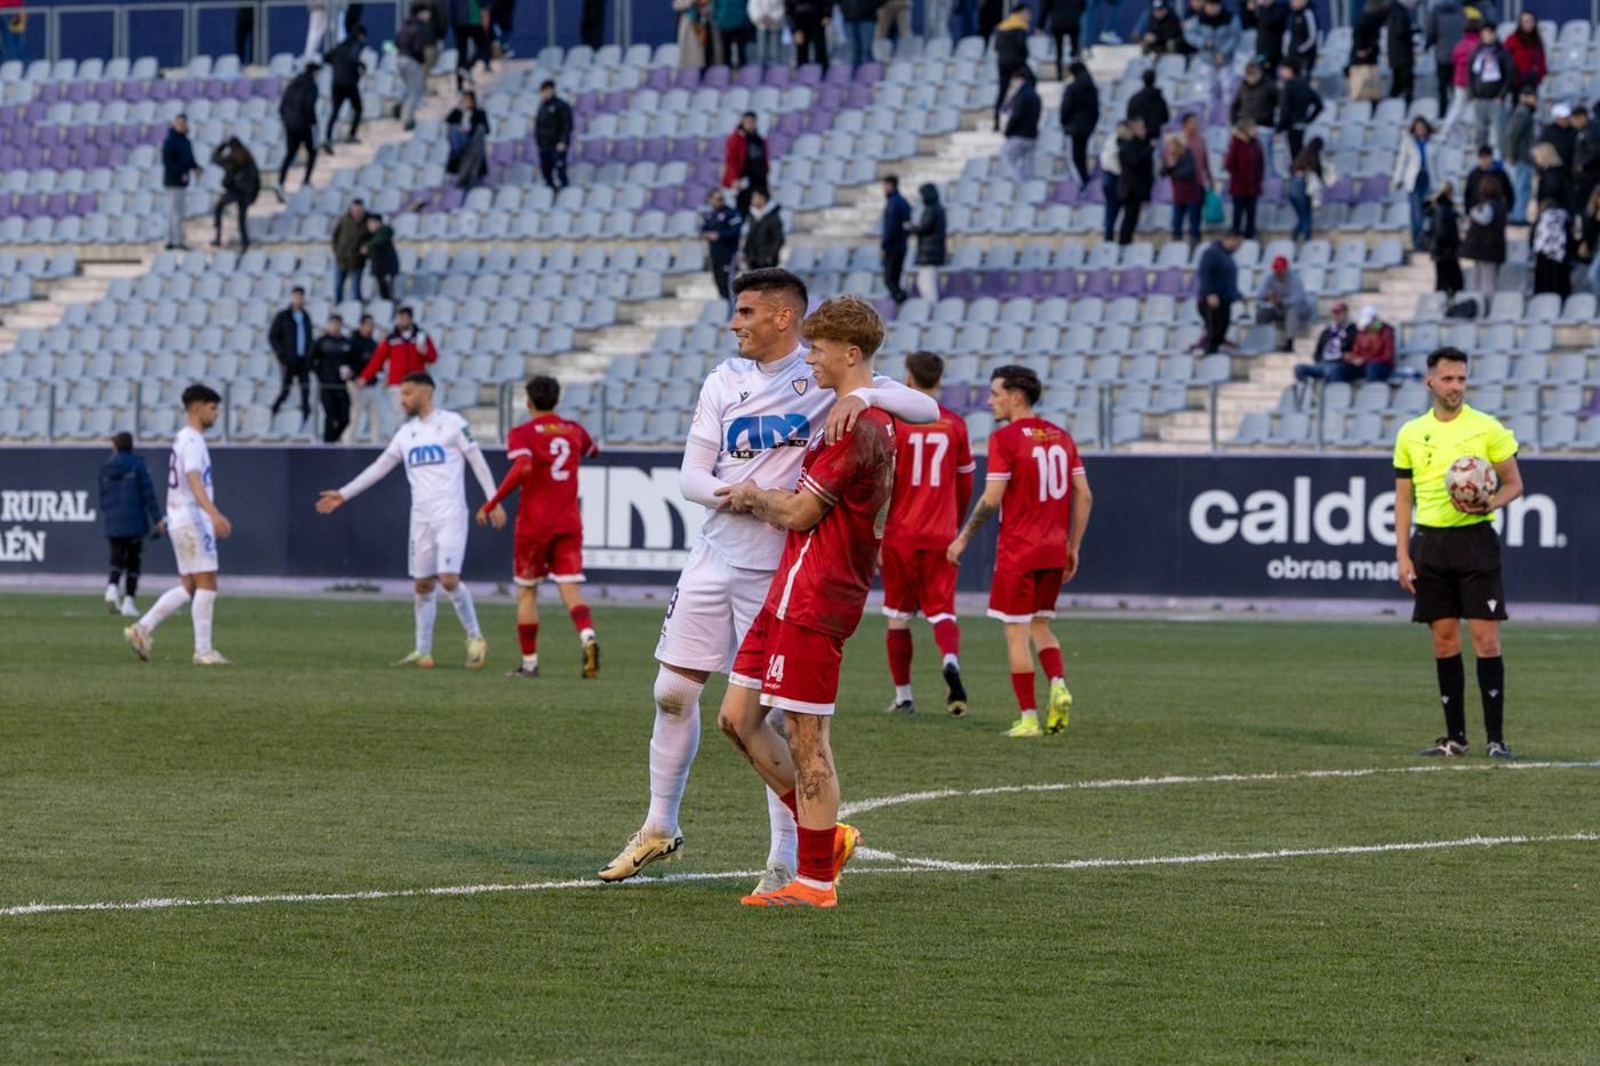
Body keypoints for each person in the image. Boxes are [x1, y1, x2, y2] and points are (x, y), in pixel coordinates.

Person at [596, 267, 937, 893]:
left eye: (747, 312)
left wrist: (867, 396)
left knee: (776, 719)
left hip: (782, 567)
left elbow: (927, 405)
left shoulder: (824, 375)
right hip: (715, 553)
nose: (735, 323)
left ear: (784, 317)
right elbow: (692, 476)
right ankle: (659, 824)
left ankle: (787, 857)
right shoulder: (723, 381)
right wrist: (738, 495)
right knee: (673, 691)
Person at [712, 296, 897, 909]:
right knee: (737, 720)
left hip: (818, 595)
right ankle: (829, 836)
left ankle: (815, 880)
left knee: (806, 736)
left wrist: (753, 495)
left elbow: (800, 510)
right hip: (789, 588)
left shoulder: (859, 426)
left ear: (850, 354)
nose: (809, 359)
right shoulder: (850, 413)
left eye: (818, 350)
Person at [316, 372, 503, 668]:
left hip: (450, 513)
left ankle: (475, 637)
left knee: (448, 578)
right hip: (422, 519)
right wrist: (344, 494)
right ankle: (422, 650)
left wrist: (493, 501)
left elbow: (478, 463)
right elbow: (380, 467)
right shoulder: (406, 434)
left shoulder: (453, 424)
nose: (402, 399)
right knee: (422, 585)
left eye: (407, 393)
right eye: (401, 394)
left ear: (425, 393)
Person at [947, 365, 1092, 739]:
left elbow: (991, 500)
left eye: (995, 393)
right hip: (1054, 549)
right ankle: (1058, 684)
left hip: (1019, 551)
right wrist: (1072, 545)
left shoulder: (1006, 439)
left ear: (1015, 396)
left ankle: (1028, 718)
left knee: (1016, 632)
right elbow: (1085, 495)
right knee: (1041, 626)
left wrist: (962, 538)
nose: (989, 400)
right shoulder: (1062, 436)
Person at [1393, 347, 1523, 760]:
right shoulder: (1410, 433)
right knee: (1444, 643)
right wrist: (1403, 554)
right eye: (1448, 379)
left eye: (1462, 379)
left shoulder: (1487, 428)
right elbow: (1402, 500)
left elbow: (1514, 484)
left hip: (1474, 543)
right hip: (1429, 545)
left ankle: (1496, 739)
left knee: (1486, 641)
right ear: (1430, 381)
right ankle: (1455, 739)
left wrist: (1491, 503)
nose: (1456, 387)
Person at [476, 375, 602, 679]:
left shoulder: (522, 433)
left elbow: (521, 466)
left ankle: (529, 664)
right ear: (557, 400)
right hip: (568, 521)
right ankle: (587, 636)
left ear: (527, 402)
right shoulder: (573, 430)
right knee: (570, 589)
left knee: (527, 592)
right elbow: (593, 451)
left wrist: (491, 503)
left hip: (534, 524)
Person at [880, 351, 974, 716]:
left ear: (907, 379)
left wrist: (879, 534)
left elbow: (884, 485)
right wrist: (954, 527)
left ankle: (903, 696)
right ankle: (950, 658)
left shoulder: (898, 424)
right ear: (939, 381)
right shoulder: (955, 425)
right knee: (943, 611)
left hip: (899, 534)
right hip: (940, 534)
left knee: (897, 614)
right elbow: (965, 484)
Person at [122, 385, 233, 666]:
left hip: (178, 518)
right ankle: (203, 651)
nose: (215, 414)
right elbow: (194, 479)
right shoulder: (193, 441)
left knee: (189, 585)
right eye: (212, 408)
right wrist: (214, 513)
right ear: (197, 408)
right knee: (208, 581)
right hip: (193, 518)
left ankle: (142, 628)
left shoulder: (182, 438)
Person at [100, 431, 163, 619]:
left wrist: (109, 514)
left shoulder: (106, 468)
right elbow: (148, 494)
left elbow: (102, 496)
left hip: (113, 520)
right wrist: (158, 518)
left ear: (116, 446)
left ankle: (111, 589)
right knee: (133, 562)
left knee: (116, 558)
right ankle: (129, 601)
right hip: (135, 520)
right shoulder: (138, 465)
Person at [359, 306, 439, 427]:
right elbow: (378, 359)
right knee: (400, 415)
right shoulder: (391, 339)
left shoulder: (421, 336)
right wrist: (365, 377)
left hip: (417, 383)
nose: (401, 321)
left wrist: (425, 351)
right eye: (399, 318)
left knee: (418, 414)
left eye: (404, 318)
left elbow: (433, 358)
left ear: (410, 319)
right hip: (397, 383)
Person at [310, 313, 359, 442]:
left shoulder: (346, 343)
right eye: (333, 324)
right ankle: (328, 444)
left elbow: (354, 361)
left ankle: (332, 440)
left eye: (338, 324)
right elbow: (310, 360)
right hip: (327, 385)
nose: (335, 327)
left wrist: (351, 371)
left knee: (345, 418)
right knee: (330, 416)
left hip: (342, 385)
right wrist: (320, 374)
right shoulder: (322, 342)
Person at [1290, 300, 1357, 394]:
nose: (1336, 316)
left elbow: (1353, 350)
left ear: (1345, 313)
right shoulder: (1327, 331)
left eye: (1339, 313)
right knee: (1299, 368)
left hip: (1338, 363)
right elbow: (1318, 349)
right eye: (1334, 313)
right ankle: (1305, 395)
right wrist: (1319, 360)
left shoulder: (1352, 330)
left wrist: (1343, 357)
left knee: (1332, 371)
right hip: (1323, 362)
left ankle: (1327, 399)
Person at [275, 62, 320, 200]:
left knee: (290, 154)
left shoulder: (292, 85)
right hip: (304, 124)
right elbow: (309, 106)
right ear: (315, 72)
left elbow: (281, 107)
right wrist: (313, 123)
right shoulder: (311, 86)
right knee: (312, 152)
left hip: (290, 125)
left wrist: (287, 121)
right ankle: (306, 181)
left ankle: (280, 182)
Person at [269, 287, 314, 422]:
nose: (298, 299)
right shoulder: (283, 316)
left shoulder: (306, 316)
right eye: (296, 296)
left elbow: (309, 338)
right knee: (286, 389)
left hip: (303, 359)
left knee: (305, 388)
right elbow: (273, 336)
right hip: (289, 359)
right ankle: (274, 409)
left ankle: (306, 414)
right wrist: (281, 353)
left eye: (301, 297)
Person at [1465, 24, 1513, 152]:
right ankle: (1482, 162)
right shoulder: (1476, 52)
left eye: (1488, 33)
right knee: (1481, 133)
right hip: (1480, 98)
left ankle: (1502, 160)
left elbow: (1508, 74)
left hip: (1496, 99)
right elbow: (1470, 74)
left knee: (1500, 132)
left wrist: (1501, 95)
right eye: (1484, 33)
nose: (1486, 36)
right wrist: (1473, 95)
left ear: (1494, 34)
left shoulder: (1502, 51)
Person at [1462, 170, 1508, 295]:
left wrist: (1472, 212)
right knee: (1485, 281)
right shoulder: (1501, 204)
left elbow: (1485, 219)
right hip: (1492, 249)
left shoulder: (1488, 206)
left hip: (1487, 250)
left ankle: (1487, 310)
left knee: (1487, 283)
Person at [209, 137, 259, 251]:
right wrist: (253, 195)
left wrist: (223, 145)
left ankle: (218, 237)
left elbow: (215, 158)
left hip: (236, 191)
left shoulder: (232, 159)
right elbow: (257, 179)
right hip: (246, 193)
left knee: (219, 207)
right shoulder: (249, 158)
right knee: (241, 219)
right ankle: (244, 243)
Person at [1197, 232, 1243, 352]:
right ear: (1231, 239)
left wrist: (1237, 295)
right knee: (1214, 333)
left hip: (1224, 301)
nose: (1239, 247)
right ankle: (1209, 359)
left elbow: (1227, 280)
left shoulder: (1227, 256)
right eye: (1238, 243)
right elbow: (1205, 273)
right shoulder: (1212, 253)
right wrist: (1209, 293)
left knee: (1221, 331)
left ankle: (1213, 356)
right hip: (1213, 301)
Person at [161, 114, 201, 251]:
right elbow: (168, 162)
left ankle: (176, 239)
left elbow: (189, 160)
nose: (181, 126)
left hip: (182, 182)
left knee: (179, 211)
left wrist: (196, 168)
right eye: (179, 123)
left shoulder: (186, 141)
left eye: (183, 124)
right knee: (174, 212)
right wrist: (181, 173)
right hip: (173, 181)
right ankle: (172, 240)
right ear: (174, 125)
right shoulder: (170, 141)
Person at [1257, 255, 1314, 350]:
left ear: (1285, 269)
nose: (1278, 272)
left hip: (1299, 310)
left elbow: (1298, 300)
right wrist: (1267, 296)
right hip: (1280, 308)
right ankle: (1260, 340)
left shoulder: (1295, 279)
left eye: (1280, 269)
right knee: (1262, 313)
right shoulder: (1270, 278)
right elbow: (1260, 295)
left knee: (1292, 311)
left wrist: (1281, 301)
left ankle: (1289, 342)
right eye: (1276, 269)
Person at [1392, 117, 1434, 248]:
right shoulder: (1408, 142)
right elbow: (1402, 161)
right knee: (1416, 214)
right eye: (1418, 127)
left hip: (1428, 177)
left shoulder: (1433, 142)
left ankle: (1428, 242)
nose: (1420, 130)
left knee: (1429, 213)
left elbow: (1439, 163)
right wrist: (1398, 178)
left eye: (1422, 127)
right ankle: (1418, 243)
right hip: (1415, 180)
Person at [1231, 62, 1278, 176]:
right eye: (1248, 75)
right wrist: (1234, 124)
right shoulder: (1243, 87)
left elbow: (1281, 104)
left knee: (1265, 161)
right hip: (1245, 128)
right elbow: (1234, 106)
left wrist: (1277, 127)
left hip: (1263, 127)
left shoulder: (1269, 86)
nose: (1250, 79)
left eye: (1253, 75)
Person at [323, 22, 365, 146]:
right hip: (349, 83)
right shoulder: (355, 45)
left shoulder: (340, 46)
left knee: (335, 111)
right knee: (358, 109)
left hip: (336, 82)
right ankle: (351, 135)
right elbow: (354, 58)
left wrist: (336, 65)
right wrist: (361, 66)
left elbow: (326, 57)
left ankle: (328, 137)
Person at [721, 111, 769, 217]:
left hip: (758, 180)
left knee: (761, 210)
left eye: (752, 122)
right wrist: (734, 179)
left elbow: (764, 160)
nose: (750, 125)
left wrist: (766, 173)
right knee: (743, 208)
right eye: (747, 122)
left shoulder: (759, 140)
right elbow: (731, 160)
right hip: (743, 181)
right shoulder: (736, 139)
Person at [701, 187, 743, 305]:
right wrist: (707, 234)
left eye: (722, 199)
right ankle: (725, 309)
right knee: (718, 282)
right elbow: (704, 228)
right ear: (711, 200)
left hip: (728, 254)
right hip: (715, 255)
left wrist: (719, 235)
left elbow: (735, 232)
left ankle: (733, 311)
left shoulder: (731, 213)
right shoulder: (710, 215)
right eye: (717, 199)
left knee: (728, 284)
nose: (720, 201)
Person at [1276, 59, 1323, 165]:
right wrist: (1308, 119)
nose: (1282, 72)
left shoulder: (1288, 87)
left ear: (1290, 70)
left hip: (1292, 124)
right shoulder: (1304, 84)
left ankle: (1297, 176)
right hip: (1302, 123)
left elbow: (1285, 110)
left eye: (1284, 69)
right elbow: (1319, 105)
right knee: (1301, 152)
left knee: (1295, 155)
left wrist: (1279, 129)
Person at [1502, 87, 1538, 223]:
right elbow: (1513, 134)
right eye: (1532, 97)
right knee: (1521, 188)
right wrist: (1512, 153)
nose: (1535, 101)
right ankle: (1518, 216)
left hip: (1523, 157)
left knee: (1522, 187)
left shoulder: (1524, 112)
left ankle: (1519, 215)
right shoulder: (1523, 112)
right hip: (1521, 157)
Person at [1059, 60, 1099, 184]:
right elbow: (1096, 110)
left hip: (1073, 128)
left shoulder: (1072, 88)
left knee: (1073, 158)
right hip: (1087, 127)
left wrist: (1064, 123)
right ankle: (1084, 180)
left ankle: (1081, 184)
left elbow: (1066, 108)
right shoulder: (1092, 88)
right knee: (1081, 156)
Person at [1117, 116, 1155, 244]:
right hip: (1131, 189)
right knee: (1129, 218)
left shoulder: (1138, 144)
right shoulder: (1129, 144)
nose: (1144, 130)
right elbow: (1135, 160)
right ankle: (1124, 243)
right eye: (1141, 128)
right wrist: (1149, 149)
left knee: (1132, 218)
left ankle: (1126, 242)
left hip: (1136, 188)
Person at [999, 67, 1041, 182]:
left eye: (1014, 80)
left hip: (1019, 135)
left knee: (1006, 158)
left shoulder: (1020, 95)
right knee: (1028, 167)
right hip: (1032, 136)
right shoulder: (1036, 96)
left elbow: (1015, 114)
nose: (1012, 83)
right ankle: (1028, 191)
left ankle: (1021, 183)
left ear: (1020, 80)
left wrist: (1008, 131)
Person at [992, 6, 1030, 130]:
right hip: (1017, 62)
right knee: (1028, 85)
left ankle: (996, 121)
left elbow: (996, 47)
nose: (1029, 17)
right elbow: (1021, 46)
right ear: (1021, 13)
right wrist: (1024, 56)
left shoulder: (1003, 26)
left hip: (1002, 62)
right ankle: (1023, 116)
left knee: (1002, 91)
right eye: (1027, 13)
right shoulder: (1020, 27)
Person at [1225, 120, 1265, 239]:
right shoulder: (1236, 144)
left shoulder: (1256, 144)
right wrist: (1239, 178)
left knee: (1251, 215)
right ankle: (1235, 236)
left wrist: (1258, 178)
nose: (1255, 130)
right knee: (1237, 215)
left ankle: (1249, 237)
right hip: (1239, 187)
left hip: (1253, 187)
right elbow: (1230, 165)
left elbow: (1261, 163)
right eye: (1252, 128)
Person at [1162, 131, 1203, 245]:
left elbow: (1187, 173)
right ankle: (1176, 243)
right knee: (1177, 221)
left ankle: (1194, 243)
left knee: (1193, 221)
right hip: (1178, 194)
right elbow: (1163, 173)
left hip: (1191, 194)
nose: (1169, 147)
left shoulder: (1188, 154)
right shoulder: (1170, 157)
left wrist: (1173, 168)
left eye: (1171, 144)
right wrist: (1169, 165)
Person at [908, 182, 947, 301]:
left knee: (927, 284)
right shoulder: (936, 208)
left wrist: (910, 227)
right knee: (925, 281)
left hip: (930, 252)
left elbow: (925, 227)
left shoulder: (933, 209)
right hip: (932, 251)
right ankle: (931, 306)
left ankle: (932, 308)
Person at [1424, 0, 1465, 112]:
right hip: (1458, 56)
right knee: (1456, 87)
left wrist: (1428, 44)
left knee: (1442, 87)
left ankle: (1443, 112)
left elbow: (1430, 32)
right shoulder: (1460, 9)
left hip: (1442, 54)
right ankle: (1457, 111)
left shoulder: (1435, 11)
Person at [394, 4, 430, 132]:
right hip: (411, 61)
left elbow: (396, 42)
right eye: (425, 12)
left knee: (406, 85)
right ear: (419, 13)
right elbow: (418, 48)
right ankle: (408, 121)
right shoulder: (419, 28)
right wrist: (422, 60)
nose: (427, 15)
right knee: (415, 92)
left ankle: (398, 103)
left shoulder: (404, 25)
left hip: (400, 58)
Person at [349, 313, 384, 440]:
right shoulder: (352, 342)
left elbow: (377, 364)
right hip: (356, 385)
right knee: (354, 417)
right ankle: (347, 444)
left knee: (376, 417)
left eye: (372, 325)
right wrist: (354, 379)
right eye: (368, 325)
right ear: (361, 326)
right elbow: (348, 363)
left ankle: (375, 444)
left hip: (371, 385)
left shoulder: (373, 344)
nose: (371, 328)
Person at [445, 90, 491, 187]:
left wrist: (471, 128)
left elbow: (486, 129)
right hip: (460, 139)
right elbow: (448, 120)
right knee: (452, 129)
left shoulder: (479, 113)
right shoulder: (458, 113)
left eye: (469, 100)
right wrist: (457, 108)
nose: (467, 102)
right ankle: (456, 150)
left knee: (479, 130)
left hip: (472, 139)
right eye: (465, 100)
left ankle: (457, 152)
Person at [534, 80, 573, 192]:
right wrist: (539, 142)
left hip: (556, 143)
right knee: (546, 169)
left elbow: (567, 125)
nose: (545, 93)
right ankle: (551, 188)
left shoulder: (561, 106)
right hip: (544, 144)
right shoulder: (542, 107)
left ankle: (564, 188)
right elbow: (538, 126)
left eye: (547, 90)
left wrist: (563, 141)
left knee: (560, 167)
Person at [1428, 182, 1465, 299]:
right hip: (1445, 252)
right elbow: (1441, 233)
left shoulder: (1442, 208)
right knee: (1450, 283)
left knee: (1447, 283)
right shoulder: (1443, 209)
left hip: (1443, 252)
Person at [879, 174, 912, 303]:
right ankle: (899, 299)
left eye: (885, 186)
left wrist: (884, 246)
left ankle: (901, 298)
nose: (883, 189)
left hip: (893, 246)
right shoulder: (903, 202)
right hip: (901, 245)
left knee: (889, 279)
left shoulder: (894, 203)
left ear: (890, 185)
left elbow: (891, 227)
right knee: (895, 279)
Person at [1287, 136, 1326, 242]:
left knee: (1301, 217)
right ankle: (1307, 241)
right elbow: (1318, 174)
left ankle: (1293, 240)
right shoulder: (1313, 157)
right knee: (1306, 217)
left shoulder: (1301, 156)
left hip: (1293, 186)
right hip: (1303, 186)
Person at [1531, 198, 1572, 297]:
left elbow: (1533, 241)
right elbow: (1570, 240)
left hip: (1543, 261)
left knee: (1543, 293)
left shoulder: (1540, 220)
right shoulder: (1564, 218)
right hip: (1561, 261)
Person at [1186, 0, 1240, 71]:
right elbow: (1189, 34)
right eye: (1209, 5)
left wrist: (1223, 52)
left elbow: (1235, 37)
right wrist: (1204, 42)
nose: (1211, 8)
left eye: (1214, 5)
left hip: (1227, 60)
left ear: (1220, 6)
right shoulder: (1198, 19)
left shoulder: (1231, 18)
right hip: (1206, 60)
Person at [1347, 304, 1396, 382]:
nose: (1366, 326)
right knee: (1340, 369)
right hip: (1364, 366)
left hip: (1381, 367)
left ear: (1375, 319)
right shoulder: (1362, 333)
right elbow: (1356, 352)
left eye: (1368, 323)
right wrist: (1351, 358)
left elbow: (1387, 358)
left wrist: (1365, 360)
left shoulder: (1386, 332)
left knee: (1372, 368)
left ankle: (1371, 392)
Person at [331, 200, 367, 304]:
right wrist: (336, 250)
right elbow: (335, 235)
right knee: (338, 286)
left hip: (357, 261)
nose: (357, 213)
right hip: (341, 259)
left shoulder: (367, 222)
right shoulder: (344, 220)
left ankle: (358, 308)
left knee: (356, 288)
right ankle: (338, 307)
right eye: (355, 210)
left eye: (359, 211)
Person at [450, 0, 491, 87]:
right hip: (474, 21)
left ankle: (460, 83)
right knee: (482, 47)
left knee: (462, 53)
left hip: (460, 22)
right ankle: (467, 67)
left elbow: (452, 8)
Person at [741, 188, 784, 270]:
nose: (752, 200)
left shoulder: (773, 217)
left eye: (755, 197)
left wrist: (770, 256)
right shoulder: (752, 216)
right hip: (753, 260)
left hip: (767, 261)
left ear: (762, 198)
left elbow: (778, 239)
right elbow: (750, 237)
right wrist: (746, 253)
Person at [1504, 9, 1545, 92]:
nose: (1529, 24)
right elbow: (1505, 58)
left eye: (1531, 21)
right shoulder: (1512, 40)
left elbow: (1541, 61)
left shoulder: (1537, 41)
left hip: (1532, 82)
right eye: (1526, 21)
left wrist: (1538, 75)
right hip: (1515, 82)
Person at [1126, 68, 1169, 145]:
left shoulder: (1135, 99)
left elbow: (1130, 117)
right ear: (1155, 80)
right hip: (1155, 138)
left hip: (1138, 139)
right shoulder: (1160, 99)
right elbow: (1165, 118)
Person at [362, 213, 399, 301]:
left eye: (370, 223)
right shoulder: (371, 235)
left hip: (387, 268)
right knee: (382, 292)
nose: (368, 226)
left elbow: (378, 241)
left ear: (377, 223)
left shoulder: (384, 231)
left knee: (387, 293)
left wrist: (367, 246)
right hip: (379, 269)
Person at [1100, 120, 1127, 241]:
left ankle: (1110, 237)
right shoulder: (1116, 143)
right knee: (1112, 210)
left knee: (1112, 211)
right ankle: (1110, 237)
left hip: (1111, 177)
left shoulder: (1110, 141)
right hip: (1114, 178)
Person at [1246, 0, 1289, 75]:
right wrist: (1251, 11)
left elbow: (1270, 22)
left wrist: (1259, 7)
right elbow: (1251, 23)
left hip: (1273, 53)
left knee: (1270, 77)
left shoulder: (1279, 9)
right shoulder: (1262, 10)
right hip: (1261, 50)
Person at [1041, 0, 1083, 75]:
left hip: (1058, 22)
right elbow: (1082, 5)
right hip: (1072, 21)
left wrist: (1040, 26)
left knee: (1059, 51)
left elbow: (1045, 8)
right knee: (1075, 50)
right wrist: (1076, 13)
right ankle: (1077, 73)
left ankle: (1059, 74)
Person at [787, 0, 829, 72]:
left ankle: (823, 73)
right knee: (801, 51)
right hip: (799, 23)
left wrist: (828, 15)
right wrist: (794, 30)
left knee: (820, 49)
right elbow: (788, 9)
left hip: (818, 21)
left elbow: (828, 2)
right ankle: (803, 74)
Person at [1386, 0, 1415, 105]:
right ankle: (1405, 106)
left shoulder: (1393, 10)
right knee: (1404, 85)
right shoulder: (1400, 12)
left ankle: (1391, 106)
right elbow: (1401, 30)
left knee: (1397, 84)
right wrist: (1411, 31)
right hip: (1403, 55)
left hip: (1396, 54)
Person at [713, 0, 754, 67]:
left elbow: (749, 7)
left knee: (741, 52)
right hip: (725, 24)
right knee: (726, 52)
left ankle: (743, 73)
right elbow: (715, 7)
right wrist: (718, 18)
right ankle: (727, 73)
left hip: (740, 25)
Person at [839, 0, 877, 70]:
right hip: (848, 17)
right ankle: (854, 74)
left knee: (866, 49)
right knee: (852, 49)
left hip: (867, 17)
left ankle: (869, 73)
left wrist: (871, 6)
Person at [749, 0, 786, 67]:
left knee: (775, 53)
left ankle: (776, 73)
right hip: (761, 25)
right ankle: (761, 73)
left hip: (775, 25)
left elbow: (781, 8)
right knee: (761, 53)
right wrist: (759, 18)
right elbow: (753, 7)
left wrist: (771, 18)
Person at [1287, 0, 1318, 79]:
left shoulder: (1308, 13)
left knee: (1303, 80)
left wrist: (1301, 49)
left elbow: (1312, 36)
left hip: (1305, 56)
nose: (1292, 3)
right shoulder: (1293, 15)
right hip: (1293, 55)